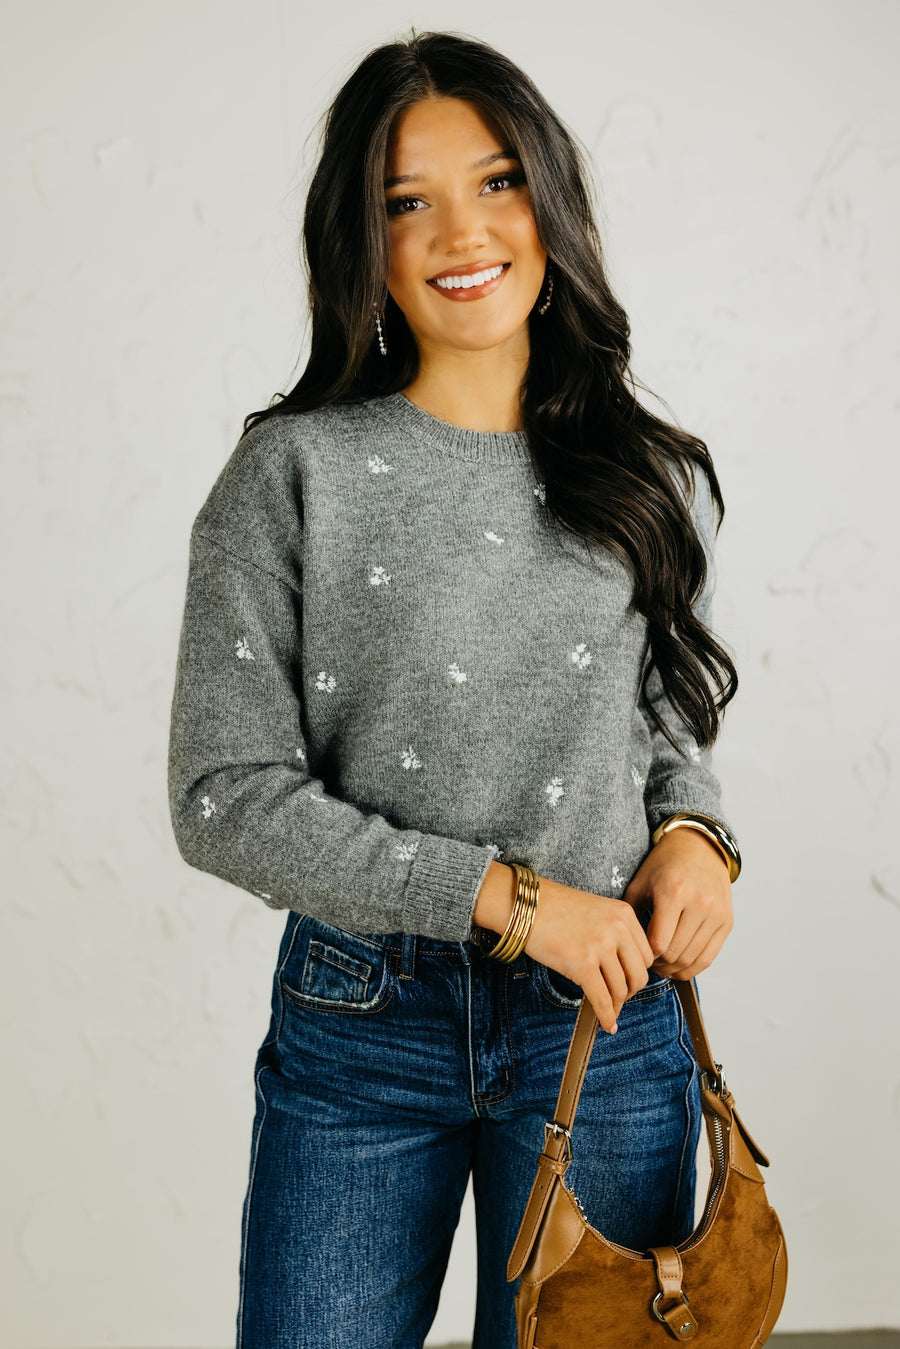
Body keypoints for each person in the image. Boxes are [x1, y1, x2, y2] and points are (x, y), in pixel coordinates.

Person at [168, 30, 740, 1349]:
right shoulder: (291, 475)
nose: (459, 232)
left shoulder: (656, 471)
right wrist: (512, 901)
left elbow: (666, 723)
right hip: (363, 1019)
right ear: (357, 241)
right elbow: (222, 797)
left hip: (606, 1027)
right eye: (403, 202)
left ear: (550, 197)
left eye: (495, 183)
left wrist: (696, 838)